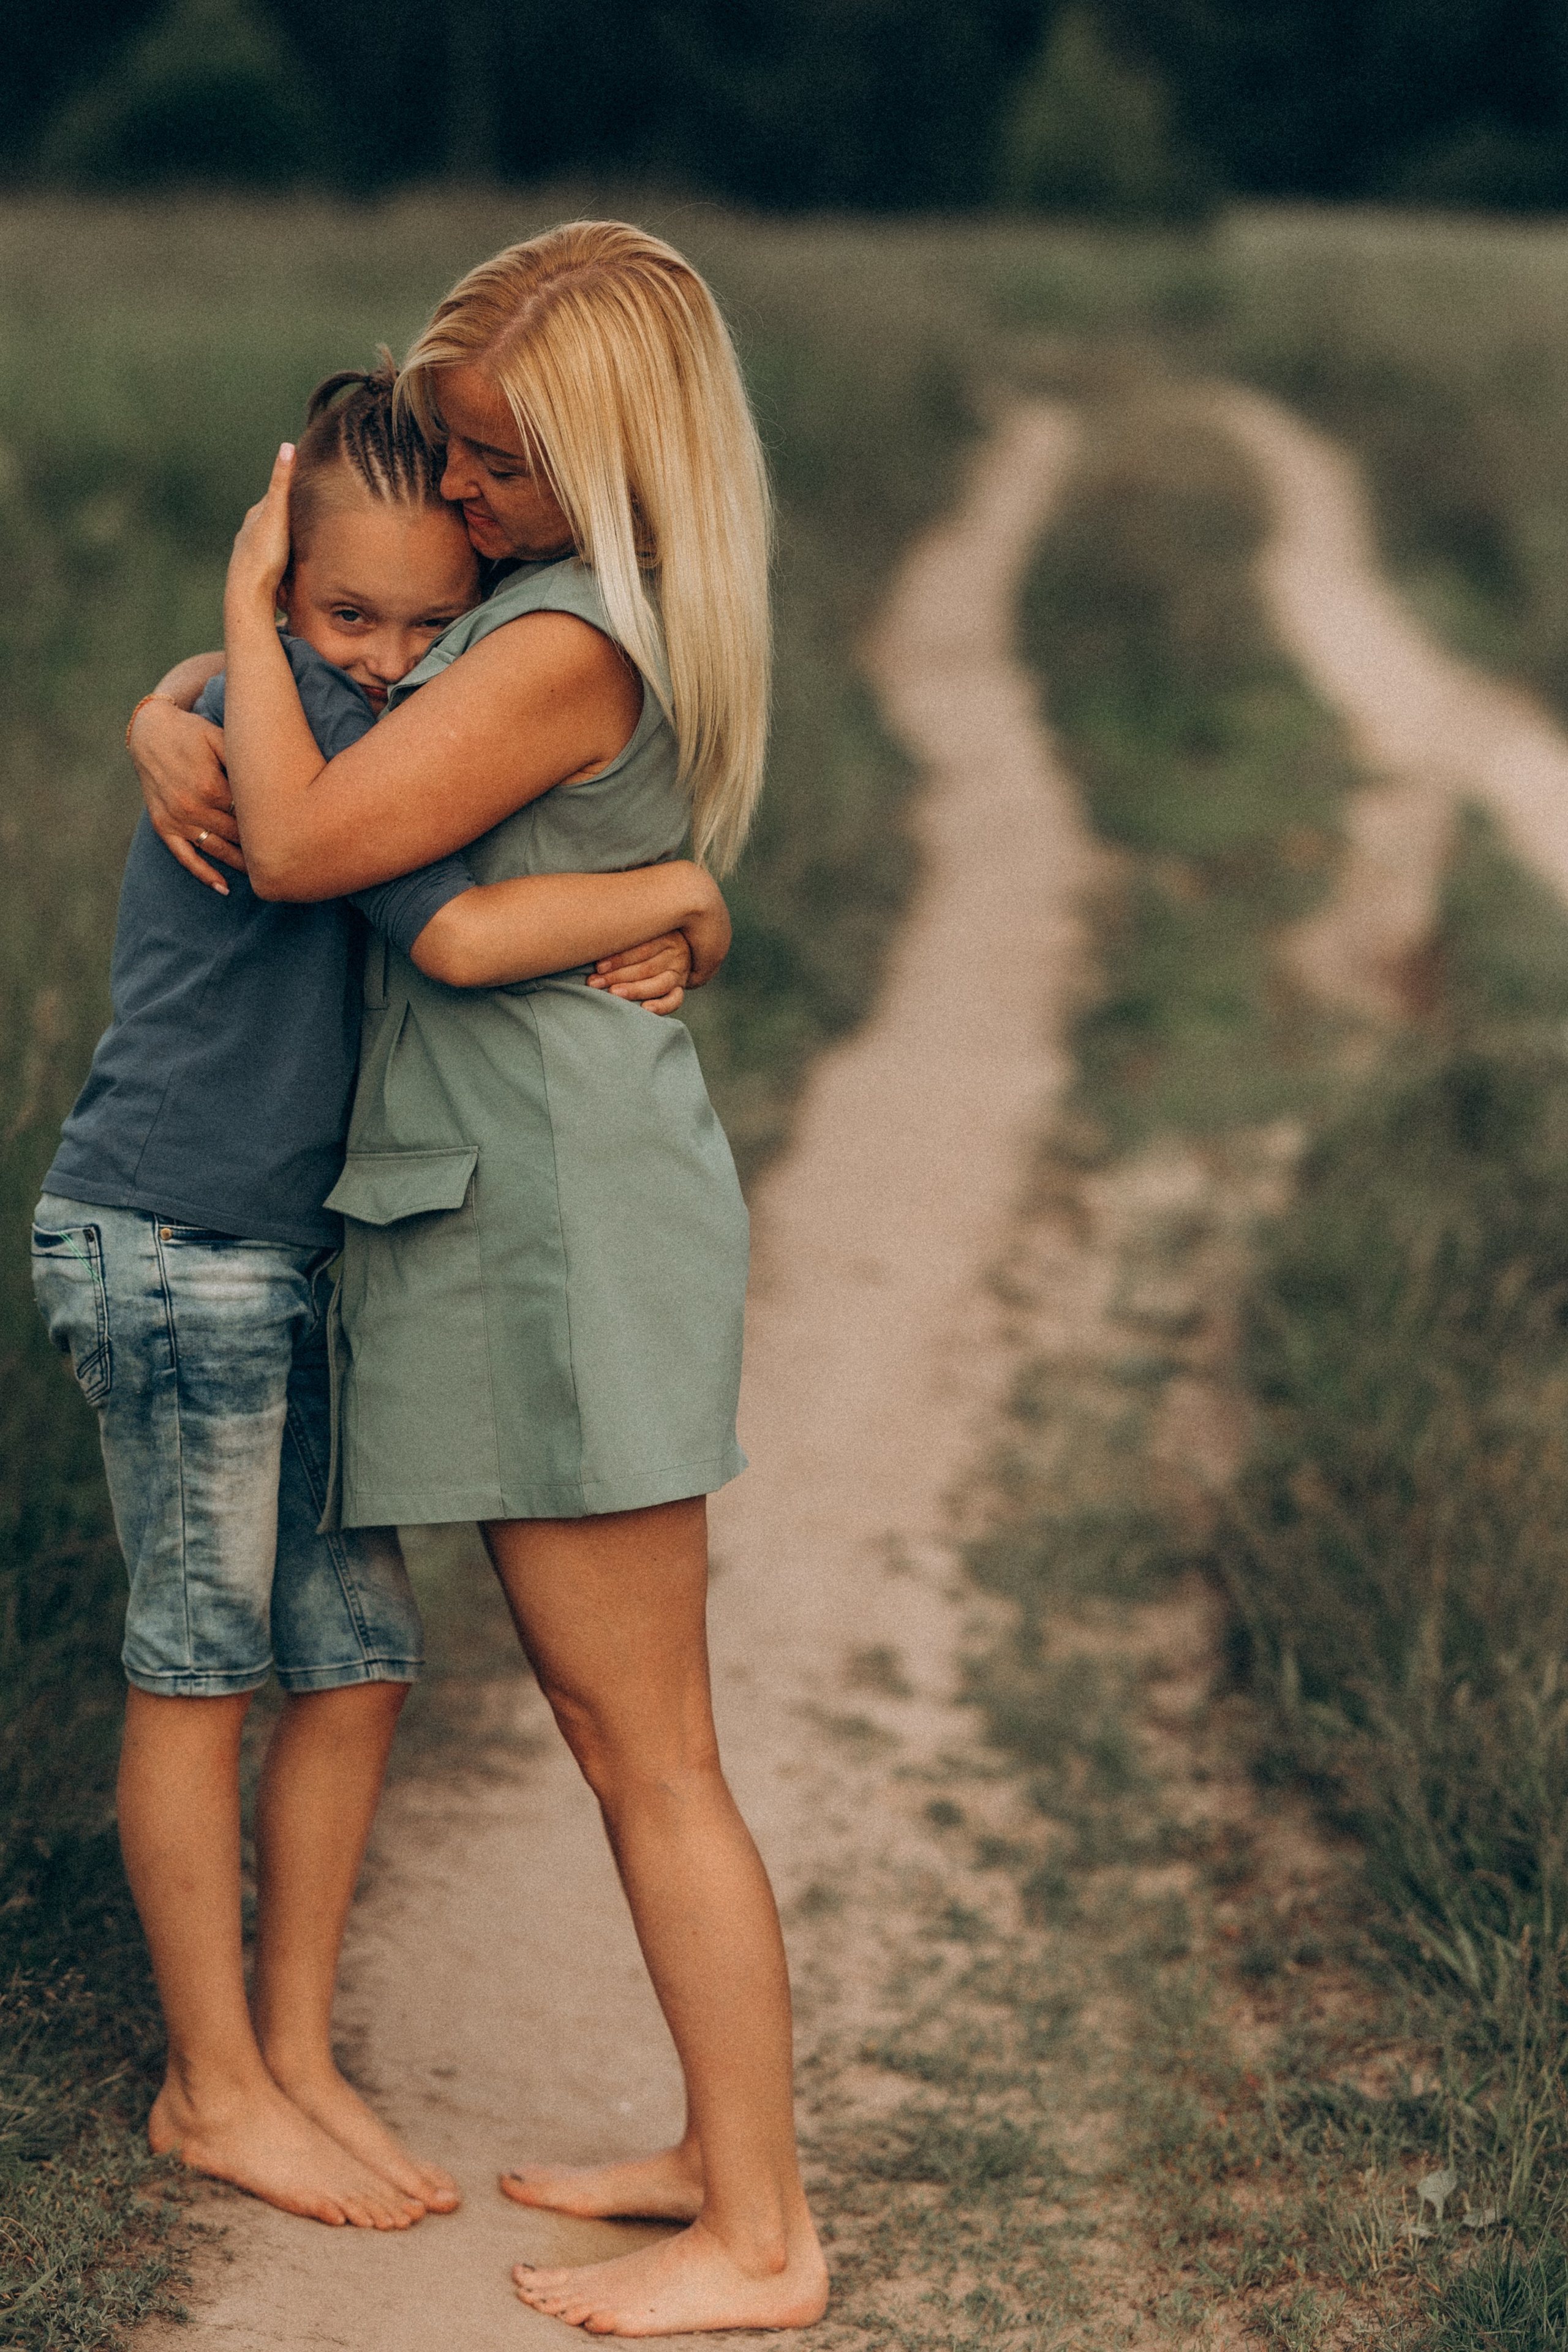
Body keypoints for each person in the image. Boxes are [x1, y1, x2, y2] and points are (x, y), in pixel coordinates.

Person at [197, 219, 829, 2335]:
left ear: (613, 457)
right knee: (613, 1722)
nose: (457, 502)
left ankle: (766, 2235)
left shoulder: (562, 644)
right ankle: (717, 2163)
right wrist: (158, 714)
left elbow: (304, 846)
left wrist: (222, 619)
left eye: (494, 469)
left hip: (561, 1219)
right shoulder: (557, 610)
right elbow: (303, 749)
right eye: (451, 457)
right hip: (521, 1199)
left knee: (646, 1741)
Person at [37, 356, 731, 2234]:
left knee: (353, 1666)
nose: (391, 659)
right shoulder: (296, 737)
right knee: (205, 1663)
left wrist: (207, 670)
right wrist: (678, 885)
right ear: (279, 587)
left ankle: (293, 2056)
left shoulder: (299, 705)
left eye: (436, 626)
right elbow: (460, 927)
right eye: (347, 615)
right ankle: (209, 2088)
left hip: (311, 1248)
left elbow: (242, 706)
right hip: (173, 1237)